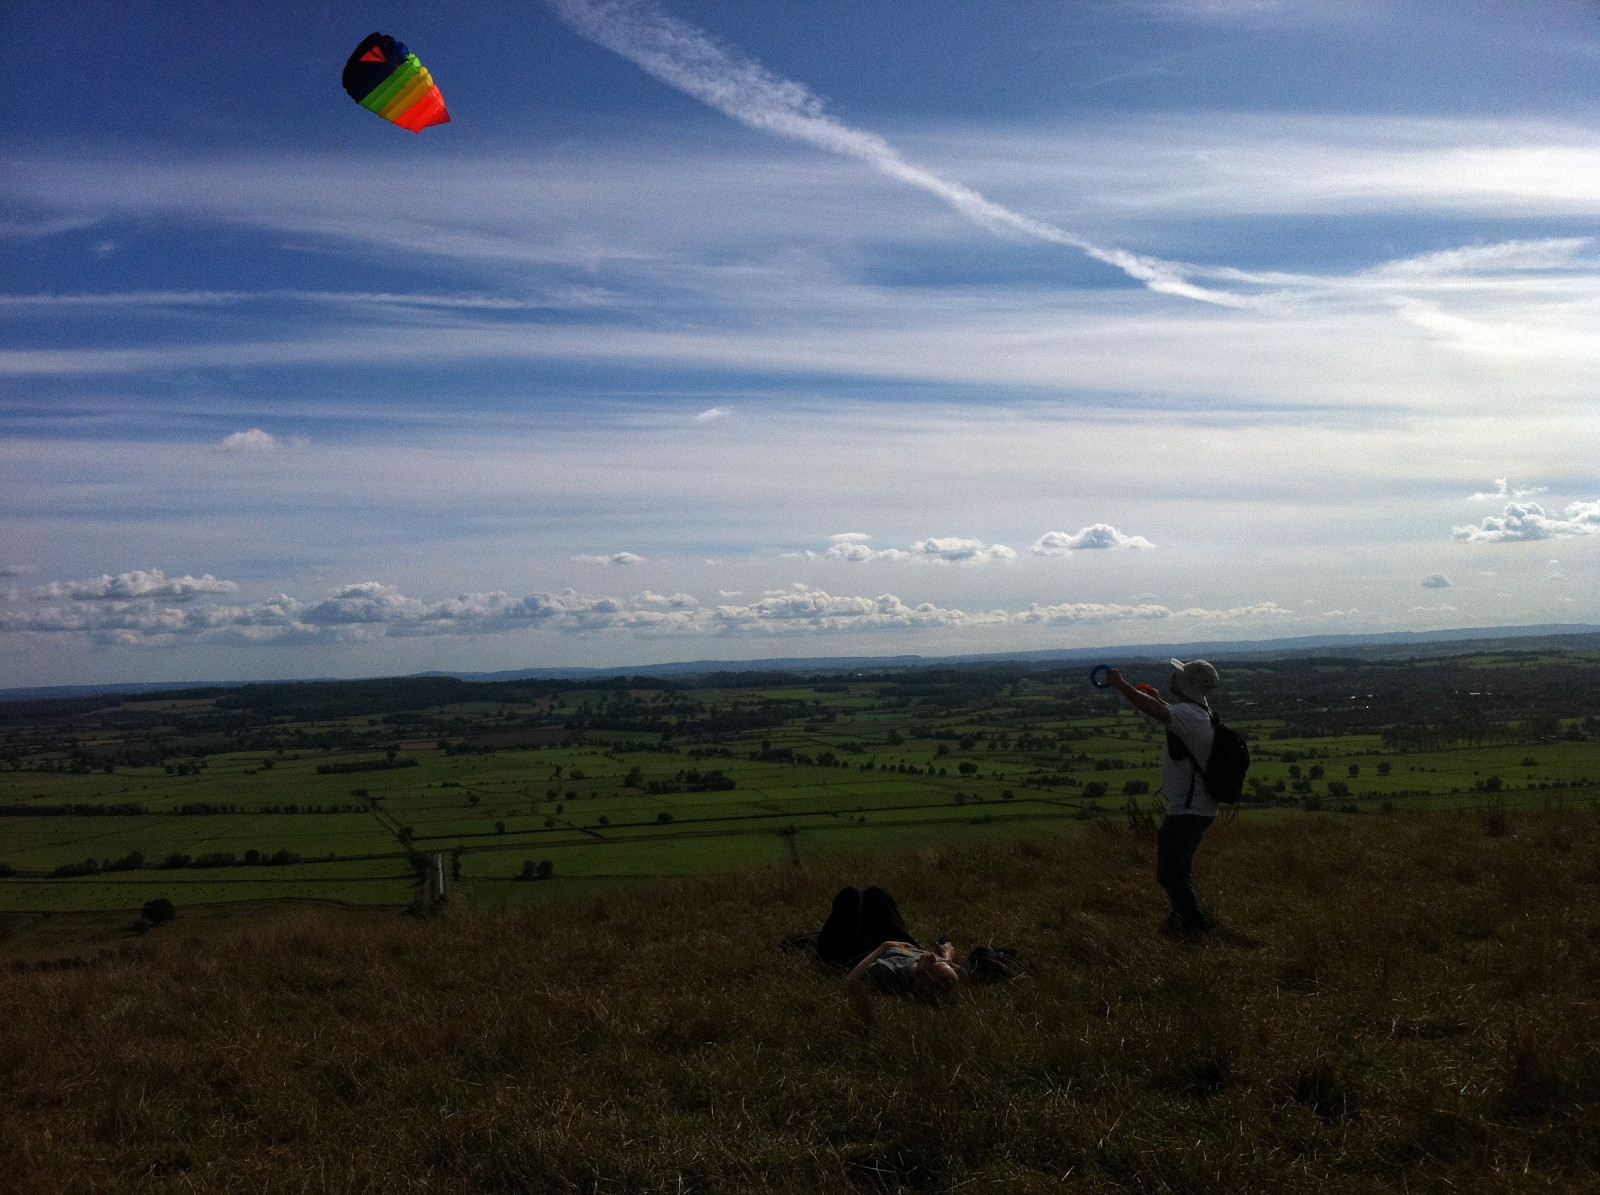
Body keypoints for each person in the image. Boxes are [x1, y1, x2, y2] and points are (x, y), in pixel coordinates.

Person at [1106, 659, 1222, 936]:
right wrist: (1158, 700)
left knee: (1170, 873)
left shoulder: (1189, 715)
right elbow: (1167, 712)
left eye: (1178, 674)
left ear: (1187, 683)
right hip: (1199, 808)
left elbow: (1156, 711)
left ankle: (1196, 928)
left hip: (1187, 810)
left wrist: (1121, 686)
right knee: (1179, 870)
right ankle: (1180, 922)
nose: (1172, 676)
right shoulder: (1201, 712)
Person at [816, 885, 959, 998]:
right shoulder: (938, 969)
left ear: (919, 981)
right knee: (876, 893)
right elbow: (949, 970)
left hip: (864, 952)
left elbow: (849, 981)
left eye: (933, 963)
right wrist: (946, 957)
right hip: (901, 944)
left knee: (851, 894)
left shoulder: (888, 971)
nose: (933, 956)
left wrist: (886, 946)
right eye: (941, 962)